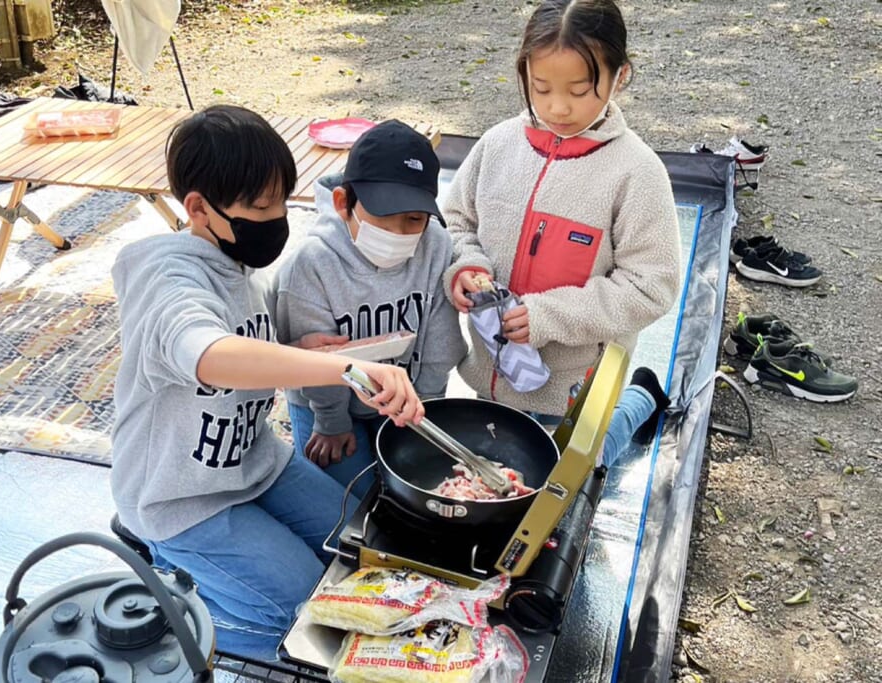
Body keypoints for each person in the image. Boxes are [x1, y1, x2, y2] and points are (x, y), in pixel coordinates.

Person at [109, 105, 425, 661]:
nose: (278, 218)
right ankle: (177, 620)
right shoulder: (165, 278)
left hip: (256, 462)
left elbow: (253, 348)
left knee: (364, 550)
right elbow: (207, 353)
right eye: (261, 206)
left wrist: (306, 352)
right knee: (311, 611)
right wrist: (344, 369)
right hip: (183, 499)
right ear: (198, 208)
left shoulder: (235, 266)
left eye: (282, 201)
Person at [443, 0, 681, 464]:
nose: (558, 107)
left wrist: (548, 316)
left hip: (569, 389)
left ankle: (641, 400)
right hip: (488, 375)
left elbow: (652, 285)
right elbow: (454, 222)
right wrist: (466, 266)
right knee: (488, 478)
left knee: (569, 475)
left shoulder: (636, 172)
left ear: (620, 76)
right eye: (541, 87)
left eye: (579, 89)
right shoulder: (497, 145)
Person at [273, 120, 467, 499]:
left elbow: (441, 342)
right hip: (327, 402)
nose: (398, 233)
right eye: (383, 216)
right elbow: (315, 361)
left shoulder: (436, 245)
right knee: (354, 499)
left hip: (408, 400)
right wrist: (331, 422)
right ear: (344, 204)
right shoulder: (311, 263)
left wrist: (423, 412)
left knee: (417, 489)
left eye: (414, 219)